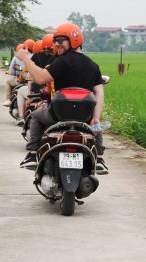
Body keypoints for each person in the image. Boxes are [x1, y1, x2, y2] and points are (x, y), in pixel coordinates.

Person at [15, 23, 108, 174]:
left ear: (73, 40)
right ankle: (99, 158)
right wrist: (95, 117)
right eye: (55, 41)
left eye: (60, 41)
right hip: (85, 117)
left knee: (36, 116)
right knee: (97, 126)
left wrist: (26, 59)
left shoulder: (62, 61)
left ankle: (32, 155)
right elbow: (99, 92)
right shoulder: (93, 65)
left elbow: (40, 78)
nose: (57, 44)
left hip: (58, 116)